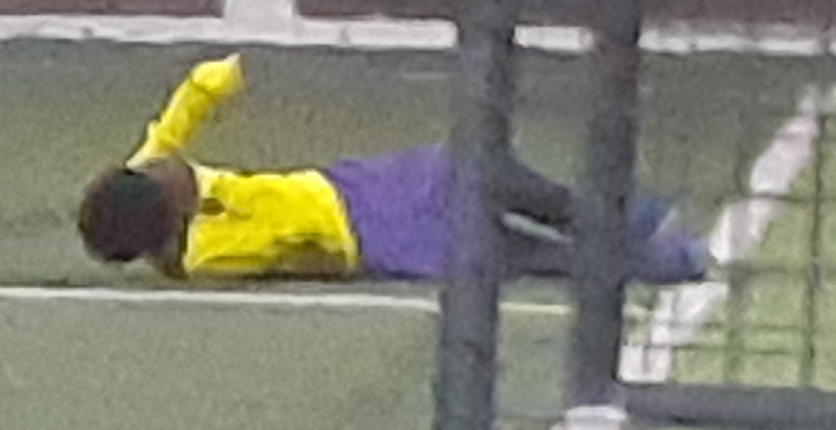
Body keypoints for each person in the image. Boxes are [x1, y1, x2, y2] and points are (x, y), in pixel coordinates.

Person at [72, 53, 708, 286]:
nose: (169, 165)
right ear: (170, 215)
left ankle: (624, 220)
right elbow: (294, 242)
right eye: (164, 179)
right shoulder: (209, 251)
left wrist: (210, 83)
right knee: (525, 256)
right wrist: (216, 198)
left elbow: (171, 126)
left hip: (356, 185)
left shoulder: (153, 177)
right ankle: (657, 264)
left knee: (484, 167)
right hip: (372, 236)